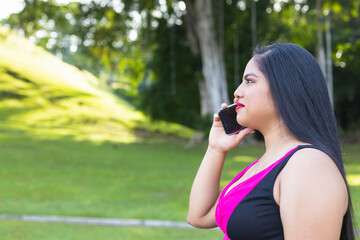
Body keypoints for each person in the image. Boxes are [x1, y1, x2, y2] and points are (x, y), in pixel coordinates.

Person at [187, 43, 355, 240]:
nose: (237, 92)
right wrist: (215, 149)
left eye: (249, 81)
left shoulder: (308, 165)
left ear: (285, 88)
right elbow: (199, 216)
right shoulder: (265, 164)